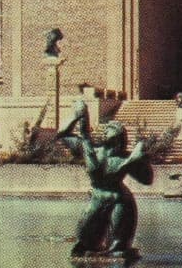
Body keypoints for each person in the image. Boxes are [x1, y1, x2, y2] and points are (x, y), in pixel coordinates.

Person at [56, 100, 153, 258]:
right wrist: (76, 116)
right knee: (82, 246)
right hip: (97, 200)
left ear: (120, 136)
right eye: (107, 127)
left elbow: (147, 180)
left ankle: (118, 253)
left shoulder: (124, 157)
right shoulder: (91, 149)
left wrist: (142, 161)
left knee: (118, 249)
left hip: (120, 201)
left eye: (112, 128)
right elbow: (62, 134)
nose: (106, 129)